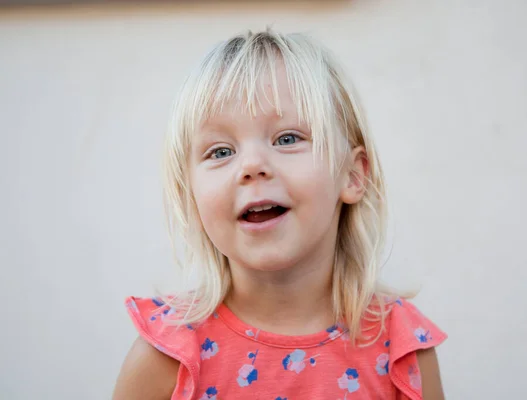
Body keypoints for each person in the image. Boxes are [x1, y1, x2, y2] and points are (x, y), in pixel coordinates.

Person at [113, 29, 446, 400]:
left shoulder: (400, 352)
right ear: (189, 194)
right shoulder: (166, 358)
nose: (252, 166)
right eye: (221, 151)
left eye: (287, 139)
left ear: (352, 176)